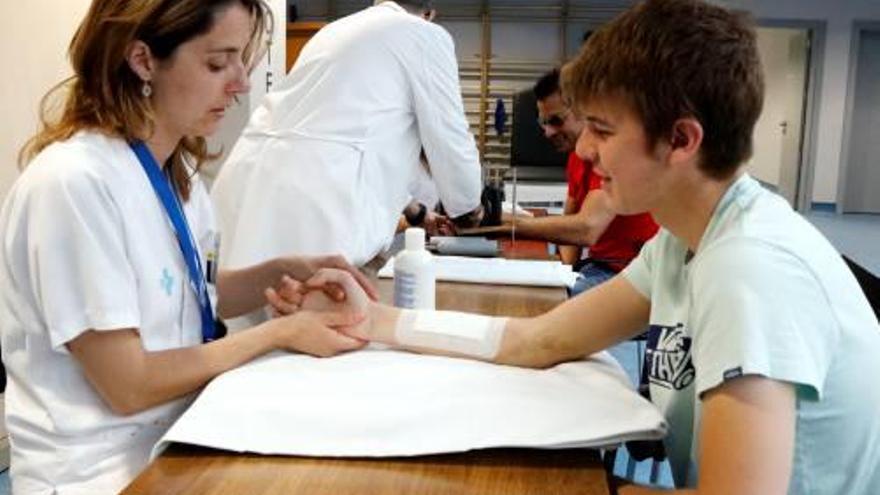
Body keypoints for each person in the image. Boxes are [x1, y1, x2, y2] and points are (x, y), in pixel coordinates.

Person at [272, 1, 880, 493]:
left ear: (681, 140)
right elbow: (540, 339)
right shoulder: (684, 243)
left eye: (604, 130)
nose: (585, 151)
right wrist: (374, 318)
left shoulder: (753, 271)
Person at [0, 1, 376, 492]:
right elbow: (128, 384)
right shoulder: (73, 184)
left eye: (241, 60)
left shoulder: (181, 179)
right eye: (217, 63)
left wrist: (282, 271)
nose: (240, 83)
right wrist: (276, 334)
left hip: (176, 443)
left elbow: (183, 289)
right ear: (143, 60)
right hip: (96, 475)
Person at [209, 0, 483, 302]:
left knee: (237, 320)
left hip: (247, 182)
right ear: (430, 13)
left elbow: (345, 138)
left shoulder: (335, 31)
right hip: (313, 210)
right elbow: (451, 135)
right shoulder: (425, 35)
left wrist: (417, 213)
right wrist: (469, 209)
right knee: (310, 327)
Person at [508, 69, 658, 295]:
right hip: (597, 267)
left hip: (626, 273)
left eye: (556, 121)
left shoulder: (612, 155)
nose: (547, 132)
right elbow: (570, 230)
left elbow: (587, 228)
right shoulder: (576, 157)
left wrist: (506, 223)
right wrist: (561, 275)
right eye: (543, 122)